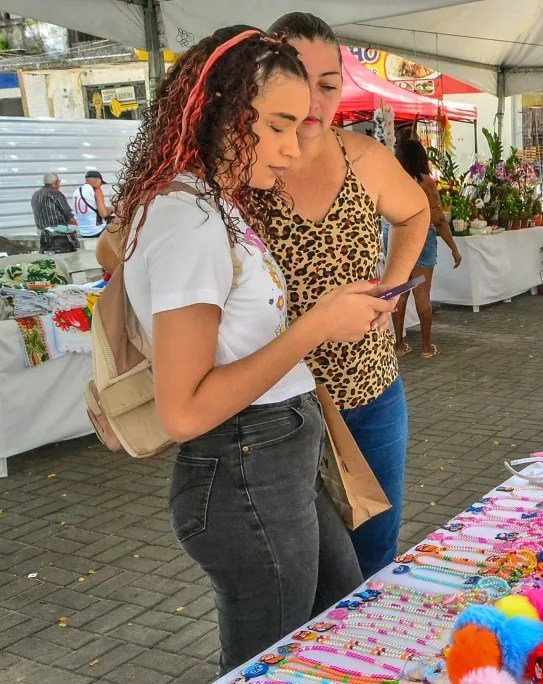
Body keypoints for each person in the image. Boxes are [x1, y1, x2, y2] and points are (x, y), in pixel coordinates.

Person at [114, 26, 393, 672]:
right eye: (277, 126)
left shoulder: (212, 202)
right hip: (245, 471)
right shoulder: (187, 218)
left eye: (299, 125)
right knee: (272, 664)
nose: (294, 148)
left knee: (339, 629)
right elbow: (183, 411)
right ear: (221, 110)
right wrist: (316, 326)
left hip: (271, 464)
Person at [260, 12, 431, 579]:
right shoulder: (242, 168)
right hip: (273, 410)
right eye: (295, 80)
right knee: (293, 573)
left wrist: (392, 287)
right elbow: (122, 245)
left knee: (374, 556)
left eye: (328, 85)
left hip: (369, 391)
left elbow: (416, 211)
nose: (312, 100)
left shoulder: (364, 157)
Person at [390, 138, 461, 359]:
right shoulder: (426, 183)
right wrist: (453, 248)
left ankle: (399, 345)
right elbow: (438, 219)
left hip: (396, 240)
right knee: (422, 295)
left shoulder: (391, 180)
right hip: (422, 240)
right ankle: (426, 347)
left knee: (400, 294)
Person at [31, 172, 78, 251]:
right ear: (56, 183)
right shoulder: (56, 194)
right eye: (59, 182)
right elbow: (69, 218)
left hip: (42, 237)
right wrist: (82, 223)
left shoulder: (35, 194)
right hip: (58, 237)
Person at [71, 170, 113, 238]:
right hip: (97, 231)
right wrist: (112, 209)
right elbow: (103, 213)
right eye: (101, 183)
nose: (101, 186)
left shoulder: (76, 191)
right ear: (98, 180)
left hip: (83, 232)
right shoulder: (96, 190)